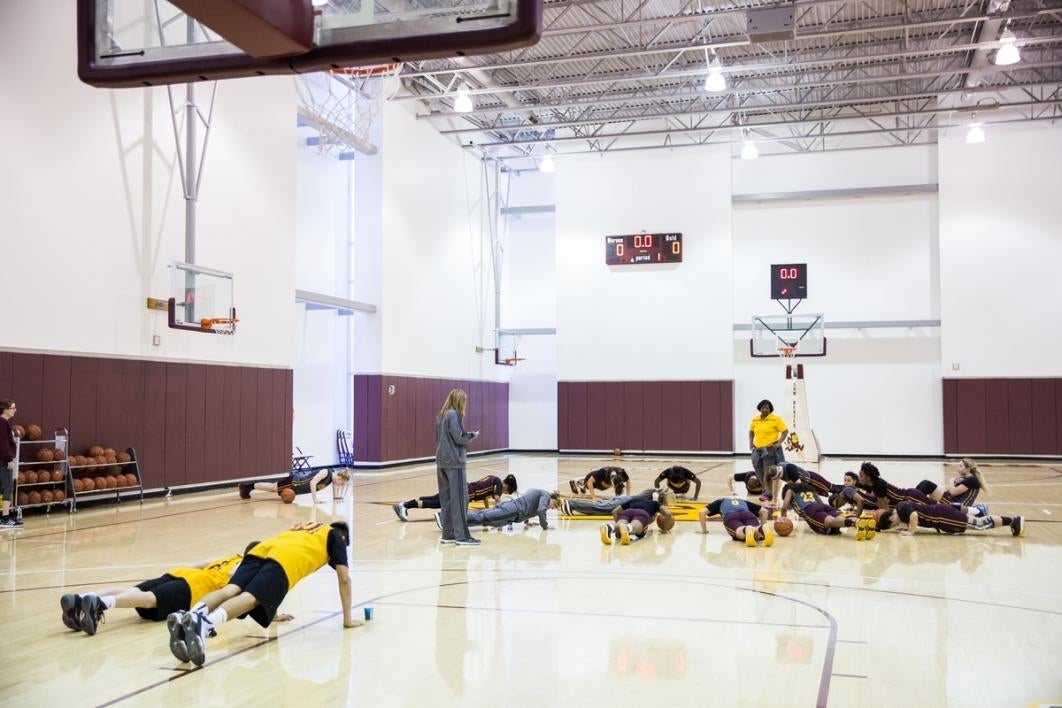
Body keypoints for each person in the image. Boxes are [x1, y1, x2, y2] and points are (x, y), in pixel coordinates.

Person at [167, 521, 359, 667]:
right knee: (250, 598)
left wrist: (274, 614)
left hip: (260, 550)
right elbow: (344, 579)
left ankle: (192, 615)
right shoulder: (336, 536)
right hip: (284, 562)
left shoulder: (306, 528)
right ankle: (204, 625)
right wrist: (347, 620)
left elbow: (272, 572)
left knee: (229, 590)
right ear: (344, 538)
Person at [59, 544, 258, 636]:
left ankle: (81, 599)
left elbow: (199, 563)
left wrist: (175, 575)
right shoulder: (244, 569)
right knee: (149, 599)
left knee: (131, 591)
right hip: (193, 587)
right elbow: (246, 598)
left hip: (179, 573)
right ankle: (100, 604)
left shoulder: (229, 557)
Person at [435, 388, 479, 546]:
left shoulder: (441, 416)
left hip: (441, 462)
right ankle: (462, 537)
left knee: (446, 500)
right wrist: (472, 435)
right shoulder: (454, 414)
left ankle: (448, 534)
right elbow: (459, 437)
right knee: (460, 499)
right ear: (460, 401)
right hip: (454, 462)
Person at [393, 474, 517, 521]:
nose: (505, 493)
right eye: (508, 491)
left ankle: (404, 505)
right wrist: (498, 516)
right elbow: (497, 500)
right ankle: (404, 506)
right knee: (436, 503)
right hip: (465, 493)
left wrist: (486, 510)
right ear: (507, 486)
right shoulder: (499, 485)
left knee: (434, 499)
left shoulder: (493, 478)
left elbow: (485, 499)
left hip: (463, 486)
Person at [781, 481, 872, 539]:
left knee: (830, 522)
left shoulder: (789, 490)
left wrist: (783, 520)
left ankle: (854, 523)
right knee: (837, 520)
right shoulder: (809, 489)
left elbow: (784, 507)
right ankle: (860, 523)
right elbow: (819, 502)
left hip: (809, 509)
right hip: (822, 506)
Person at [877, 501, 1024, 537]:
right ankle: (1011, 521)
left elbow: (914, 515)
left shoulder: (902, 508)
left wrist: (911, 532)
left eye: (892, 525)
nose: (895, 526)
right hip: (943, 514)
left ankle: (1013, 521)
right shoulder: (901, 509)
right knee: (977, 523)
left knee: (979, 524)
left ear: (891, 519)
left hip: (943, 517)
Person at [450, 488, 560, 530]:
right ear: (552, 498)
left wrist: (527, 521)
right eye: (554, 505)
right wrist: (545, 526)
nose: (551, 508)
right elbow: (540, 510)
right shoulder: (545, 496)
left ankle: (454, 523)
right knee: (483, 517)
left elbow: (527, 503)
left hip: (511, 509)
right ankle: (448, 518)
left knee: (483, 517)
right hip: (512, 511)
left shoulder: (540, 494)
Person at [748, 399, 788, 500]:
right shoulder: (755, 419)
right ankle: (765, 489)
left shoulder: (775, 419)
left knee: (767, 470)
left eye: (767, 407)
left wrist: (779, 443)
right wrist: (750, 442)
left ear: (770, 409)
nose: (765, 409)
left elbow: (785, 431)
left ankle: (768, 492)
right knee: (757, 467)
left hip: (769, 448)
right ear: (760, 408)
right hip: (757, 448)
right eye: (763, 407)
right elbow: (751, 431)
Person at [696, 496, 774, 547]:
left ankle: (746, 529)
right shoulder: (742, 501)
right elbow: (764, 512)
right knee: (756, 534)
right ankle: (761, 529)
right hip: (747, 514)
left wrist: (704, 531)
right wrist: (763, 530)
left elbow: (702, 512)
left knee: (738, 531)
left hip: (731, 515)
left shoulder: (720, 501)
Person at [599, 493, 674, 545]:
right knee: (635, 525)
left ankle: (609, 527)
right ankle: (628, 528)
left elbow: (615, 511)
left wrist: (618, 530)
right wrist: (665, 529)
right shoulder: (655, 503)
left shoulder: (634, 500)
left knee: (620, 523)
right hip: (642, 513)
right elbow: (668, 514)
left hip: (627, 512)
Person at [239, 467, 335, 504]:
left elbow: (335, 484)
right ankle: (246, 487)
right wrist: (315, 500)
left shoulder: (333, 477)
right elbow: (312, 482)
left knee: (272, 487)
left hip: (296, 487)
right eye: (342, 483)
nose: (341, 485)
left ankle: (247, 487)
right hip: (294, 482)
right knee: (272, 488)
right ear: (340, 477)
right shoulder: (326, 472)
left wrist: (336, 497)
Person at [916, 458, 986, 507]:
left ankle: (913, 503)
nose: (958, 468)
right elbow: (951, 492)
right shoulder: (966, 479)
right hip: (952, 501)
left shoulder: (972, 480)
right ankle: (913, 501)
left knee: (927, 485)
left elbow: (953, 493)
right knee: (925, 484)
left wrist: (951, 481)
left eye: (961, 466)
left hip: (958, 506)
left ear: (968, 469)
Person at [561, 487, 676, 516]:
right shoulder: (655, 495)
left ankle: (571, 505)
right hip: (624, 502)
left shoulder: (652, 492)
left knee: (599, 507)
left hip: (624, 499)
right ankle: (570, 504)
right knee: (598, 508)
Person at [0, 400, 21, 529]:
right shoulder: (2, 423)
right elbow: (3, 445)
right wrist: (8, 459)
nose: (15, 410)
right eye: (13, 408)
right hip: (3, 460)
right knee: (7, 487)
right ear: (6, 409)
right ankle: (5, 518)